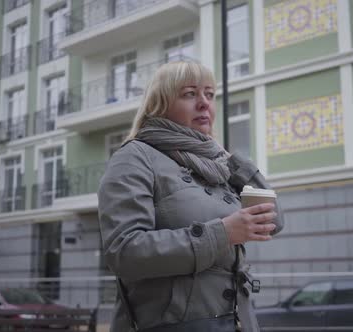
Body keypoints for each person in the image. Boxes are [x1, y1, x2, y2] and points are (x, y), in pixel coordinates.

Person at [97, 60, 284, 332]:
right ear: (159, 104)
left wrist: (230, 160)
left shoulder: (217, 164)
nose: (204, 103)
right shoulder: (134, 157)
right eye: (189, 94)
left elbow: (274, 221)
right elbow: (125, 251)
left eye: (209, 94)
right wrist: (223, 234)